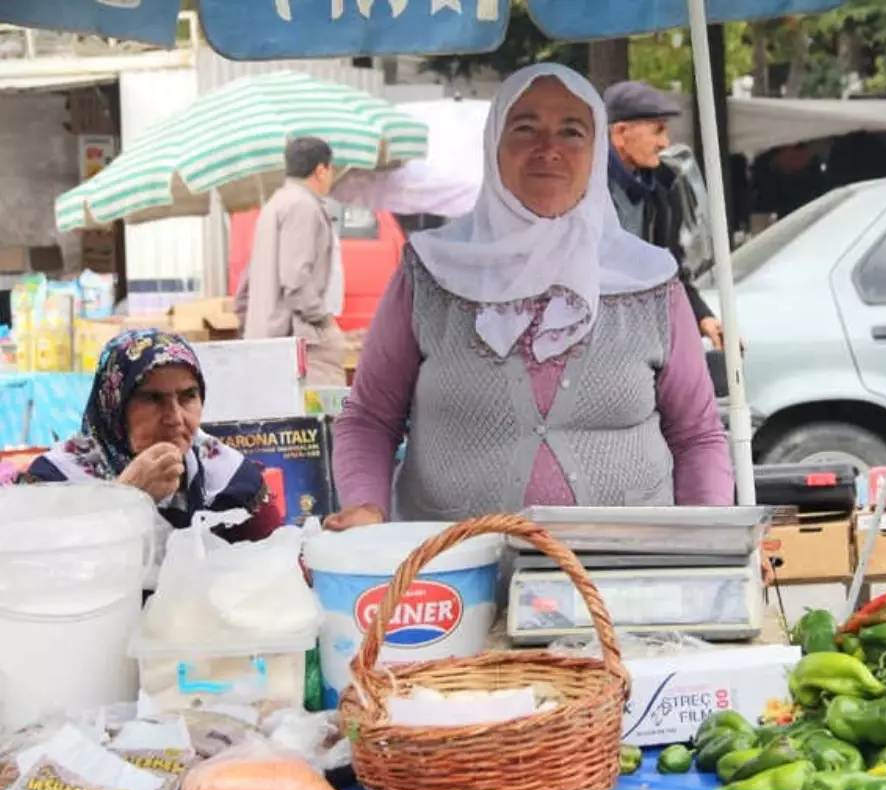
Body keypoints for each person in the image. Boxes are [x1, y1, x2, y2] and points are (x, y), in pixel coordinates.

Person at [325, 63, 733, 529]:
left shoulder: (650, 281)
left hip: (623, 576)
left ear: (597, 151)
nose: (548, 149)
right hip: (456, 574)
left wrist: (713, 536)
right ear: (493, 145)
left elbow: (697, 435)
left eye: (572, 132)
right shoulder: (431, 272)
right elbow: (370, 418)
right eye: (525, 128)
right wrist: (364, 506)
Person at [18, 329, 282, 542]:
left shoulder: (226, 476)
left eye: (188, 396)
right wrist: (125, 497)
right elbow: (35, 576)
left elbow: (280, 565)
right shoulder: (56, 481)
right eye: (153, 398)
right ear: (114, 406)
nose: (175, 418)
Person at [604, 80, 725, 351]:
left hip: (644, 337)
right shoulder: (584, 189)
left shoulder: (663, 188)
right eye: (658, 131)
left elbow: (670, 268)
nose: (665, 143)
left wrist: (702, 316)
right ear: (621, 133)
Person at [235, 136, 347, 387]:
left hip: (268, 343)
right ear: (321, 170)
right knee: (325, 417)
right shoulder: (303, 206)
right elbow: (296, 282)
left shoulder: (275, 204)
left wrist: (250, 329)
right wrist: (324, 320)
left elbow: (244, 289)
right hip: (298, 344)